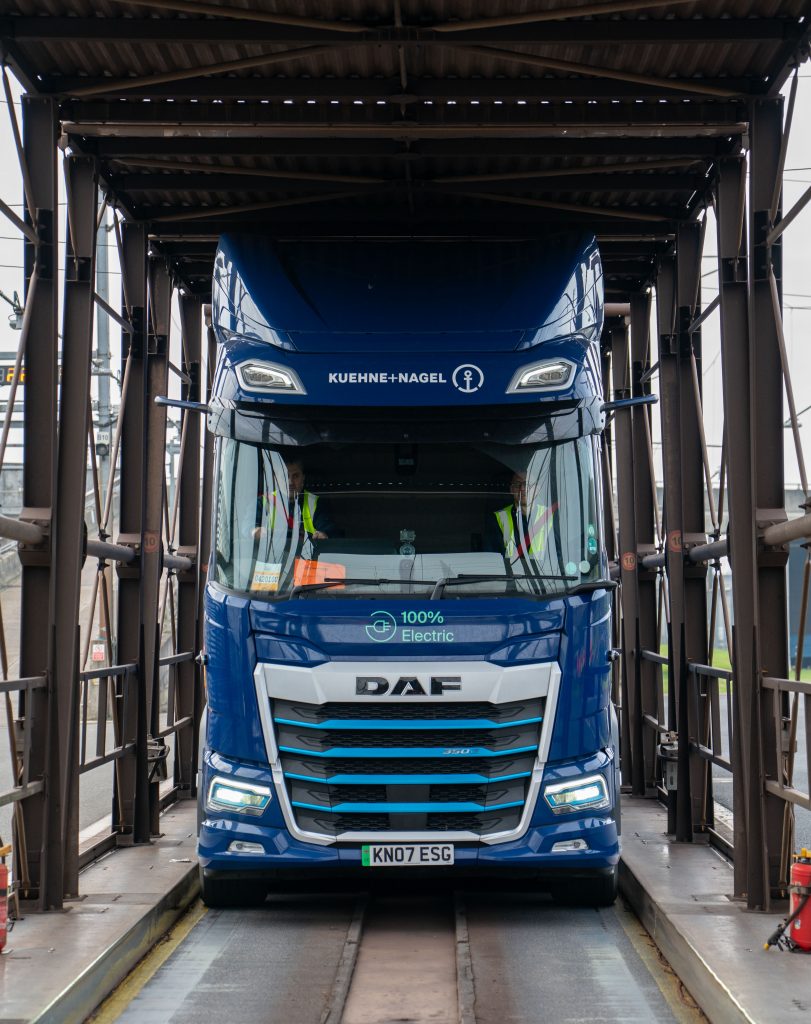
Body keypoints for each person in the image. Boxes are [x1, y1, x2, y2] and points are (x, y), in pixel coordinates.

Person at [256, 457, 335, 541]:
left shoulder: (316, 502)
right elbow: (249, 526)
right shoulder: (262, 502)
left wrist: (323, 534)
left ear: (303, 478)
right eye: (285, 475)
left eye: (296, 476)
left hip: (307, 549)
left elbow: (329, 531)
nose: (290, 482)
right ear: (276, 478)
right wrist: (256, 531)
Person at [488, 470, 557, 562]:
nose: (523, 488)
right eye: (517, 484)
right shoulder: (498, 518)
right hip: (509, 570)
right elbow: (492, 557)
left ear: (537, 489)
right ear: (511, 489)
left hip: (545, 571)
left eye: (528, 484)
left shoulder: (551, 516)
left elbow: (560, 555)